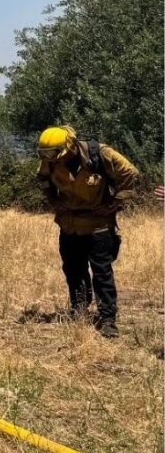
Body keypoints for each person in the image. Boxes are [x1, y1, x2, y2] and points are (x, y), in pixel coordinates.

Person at [36, 126, 140, 337]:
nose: (53, 159)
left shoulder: (100, 154)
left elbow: (130, 173)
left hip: (98, 226)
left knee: (101, 272)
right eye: (47, 155)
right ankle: (79, 310)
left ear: (70, 146)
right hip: (69, 225)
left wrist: (115, 203)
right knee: (73, 269)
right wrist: (53, 201)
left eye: (56, 154)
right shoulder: (51, 158)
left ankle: (108, 318)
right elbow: (43, 179)